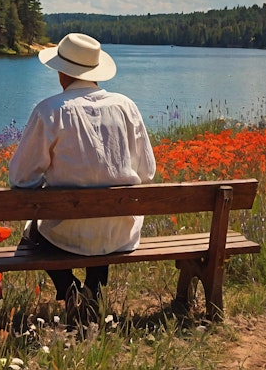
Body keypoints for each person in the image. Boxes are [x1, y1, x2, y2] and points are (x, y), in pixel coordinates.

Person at [9, 32, 156, 316]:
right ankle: (94, 290)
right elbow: (147, 172)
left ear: (62, 72)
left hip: (67, 233)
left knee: (33, 234)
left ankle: (70, 289)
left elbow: (21, 178)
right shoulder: (127, 107)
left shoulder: (50, 111)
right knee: (101, 217)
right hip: (120, 234)